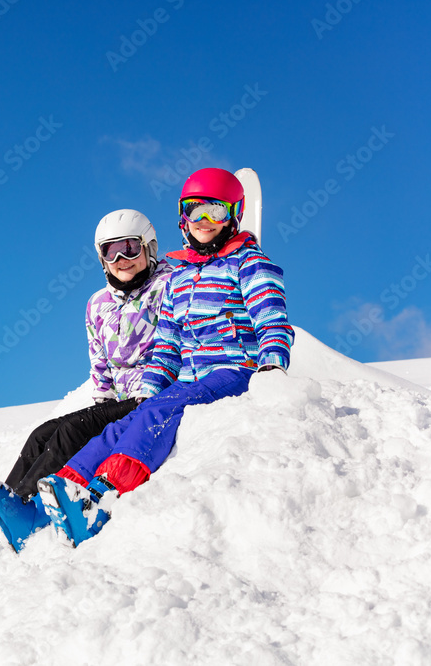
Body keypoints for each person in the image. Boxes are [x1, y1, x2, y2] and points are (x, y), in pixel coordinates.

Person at [35, 167, 295, 547]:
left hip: (235, 369)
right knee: (126, 422)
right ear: (182, 218)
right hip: (191, 378)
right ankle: (63, 489)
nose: (204, 222)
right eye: (195, 211)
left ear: (234, 215)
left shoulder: (250, 263)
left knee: (161, 411)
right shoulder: (180, 276)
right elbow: (167, 346)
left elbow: (272, 318)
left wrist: (272, 364)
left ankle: (104, 493)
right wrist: (148, 391)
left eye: (216, 212)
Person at [0, 209, 172, 552]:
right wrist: (104, 404)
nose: (122, 259)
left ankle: (22, 511)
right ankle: (3, 509)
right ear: (102, 259)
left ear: (150, 248)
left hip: (152, 392)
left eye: (130, 248)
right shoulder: (98, 305)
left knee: (69, 433)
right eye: (111, 251)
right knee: (40, 435)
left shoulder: (170, 285)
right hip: (117, 401)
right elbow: (100, 365)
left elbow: (203, 281)